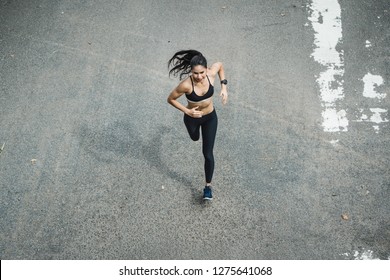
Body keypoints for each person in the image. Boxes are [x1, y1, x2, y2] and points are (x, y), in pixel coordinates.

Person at [167, 50, 228, 200]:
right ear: (191, 71)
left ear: (206, 70)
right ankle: (193, 130)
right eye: (195, 73)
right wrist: (187, 111)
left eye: (201, 72)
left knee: (208, 154)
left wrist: (224, 87)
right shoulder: (186, 85)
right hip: (192, 119)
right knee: (195, 138)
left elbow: (220, 65)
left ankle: (208, 187)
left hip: (210, 118)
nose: (199, 76)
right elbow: (171, 99)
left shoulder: (211, 75)